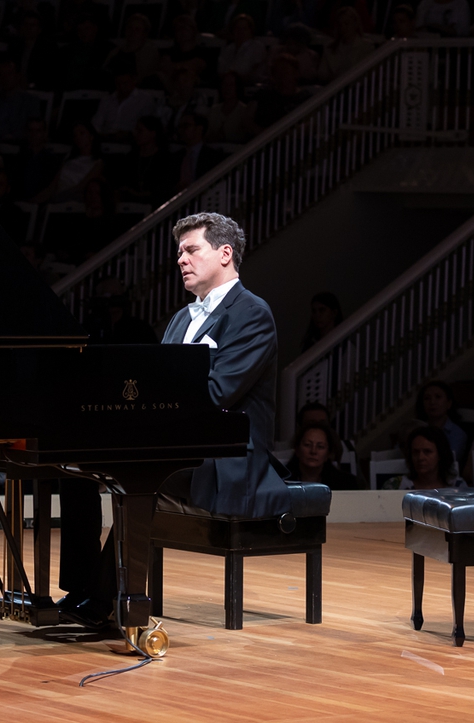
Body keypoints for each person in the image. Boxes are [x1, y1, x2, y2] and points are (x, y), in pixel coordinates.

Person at [57, 212, 291, 628]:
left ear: (225, 253)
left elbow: (219, 394)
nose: (181, 259)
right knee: (74, 468)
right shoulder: (182, 318)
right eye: (179, 252)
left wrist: (153, 413)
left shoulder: (252, 313)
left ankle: (109, 603)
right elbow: (156, 388)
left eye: (191, 250)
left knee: (141, 476)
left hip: (226, 456)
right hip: (178, 443)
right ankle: (81, 589)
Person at [385, 426, 465, 490]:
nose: (420, 458)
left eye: (427, 451)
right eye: (416, 452)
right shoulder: (395, 486)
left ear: (440, 455)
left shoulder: (458, 486)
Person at [286, 422, 358, 489]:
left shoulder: (346, 483)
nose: (313, 451)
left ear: (328, 453)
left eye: (320, 447)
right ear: (297, 449)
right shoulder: (282, 480)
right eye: (307, 445)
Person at [414, 380, 468, 464]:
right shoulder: (416, 429)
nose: (432, 402)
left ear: (449, 403)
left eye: (438, 397)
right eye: (427, 398)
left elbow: (449, 461)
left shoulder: (457, 434)